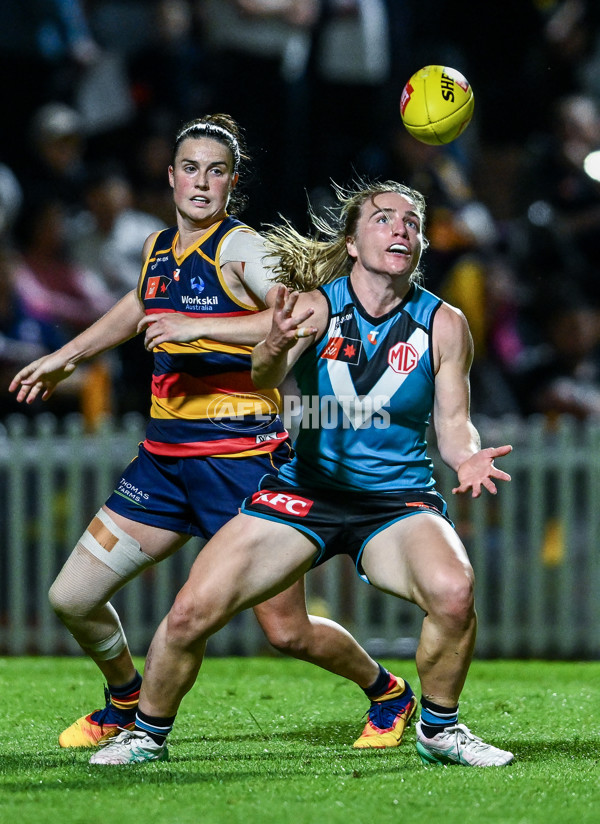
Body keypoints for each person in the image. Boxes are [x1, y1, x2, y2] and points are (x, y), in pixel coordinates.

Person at [9, 115, 413, 752]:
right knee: (71, 598)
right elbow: (142, 305)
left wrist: (198, 332)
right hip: (165, 465)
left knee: (286, 632)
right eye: (190, 168)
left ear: (231, 183)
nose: (201, 182)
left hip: (242, 466)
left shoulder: (241, 249)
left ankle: (387, 691)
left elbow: (302, 315)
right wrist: (71, 355)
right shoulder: (158, 248)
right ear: (170, 178)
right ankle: (123, 699)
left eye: (216, 171)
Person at [90, 178, 515, 768]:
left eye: (411, 223)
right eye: (384, 219)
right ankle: (146, 735)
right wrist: (271, 345)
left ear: (420, 246)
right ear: (351, 240)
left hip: (394, 503)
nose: (400, 229)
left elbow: (453, 423)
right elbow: (266, 377)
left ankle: (439, 730)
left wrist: (467, 455)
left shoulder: (445, 324)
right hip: (303, 494)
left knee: (454, 590)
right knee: (191, 612)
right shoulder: (317, 304)